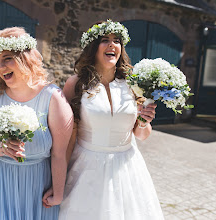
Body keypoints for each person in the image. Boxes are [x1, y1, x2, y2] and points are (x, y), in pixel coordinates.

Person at [58, 20, 165, 219]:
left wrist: (143, 122)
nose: (112, 44)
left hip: (127, 166)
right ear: (92, 47)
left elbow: (141, 135)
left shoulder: (134, 84)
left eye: (116, 40)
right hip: (86, 167)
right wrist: (58, 177)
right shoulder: (76, 84)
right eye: (105, 40)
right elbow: (68, 136)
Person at [0, 27, 73, 220]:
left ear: (25, 58)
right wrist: (3, 148)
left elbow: (59, 154)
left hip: (37, 188)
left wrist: (58, 193)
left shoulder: (52, 97)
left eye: (8, 58)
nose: (1, 67)